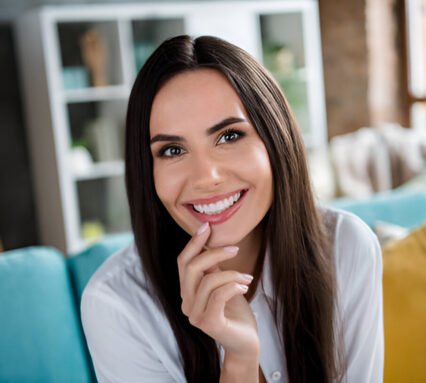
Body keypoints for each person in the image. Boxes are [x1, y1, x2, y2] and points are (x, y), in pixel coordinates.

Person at [81, 35, 384, 383]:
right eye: (172, 151)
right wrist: (239, 359)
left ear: (276, 139)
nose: (206, 177)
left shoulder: (346, 247)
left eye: (228, 136)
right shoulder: (117, 306)